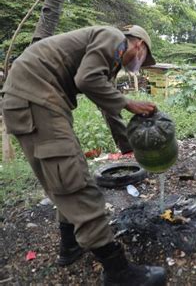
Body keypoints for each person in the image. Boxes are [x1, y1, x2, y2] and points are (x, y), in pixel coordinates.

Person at [1, 25, 166, 285]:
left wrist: (127, 145)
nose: (139, 64)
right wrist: (129, 102)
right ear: (139, 46)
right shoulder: (115, 39)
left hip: (36, 97)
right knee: (73, 178)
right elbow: (86, 80)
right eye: (143, 59)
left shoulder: (108, 59)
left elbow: (105, 99)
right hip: (36, 96)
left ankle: (70, 246)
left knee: (64, 175)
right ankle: (118, 271)